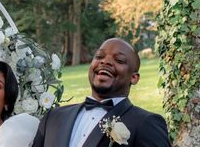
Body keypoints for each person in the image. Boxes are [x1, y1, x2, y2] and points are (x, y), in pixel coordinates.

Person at [31, 38, 171, 147]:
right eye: (99, 56)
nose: (105, 62)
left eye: (119, 60)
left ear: (134, 77)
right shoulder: (53, 117)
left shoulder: (146, 123)